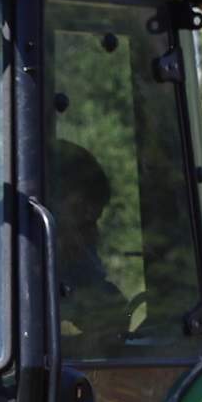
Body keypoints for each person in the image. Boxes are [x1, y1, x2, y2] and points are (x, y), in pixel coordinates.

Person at [51, 142, 139, 351]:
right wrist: (80, 346)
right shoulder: (7, 264)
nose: (92, 234)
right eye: (82, 214)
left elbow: (107, 308)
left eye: (93, 221)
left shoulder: (71, 258)